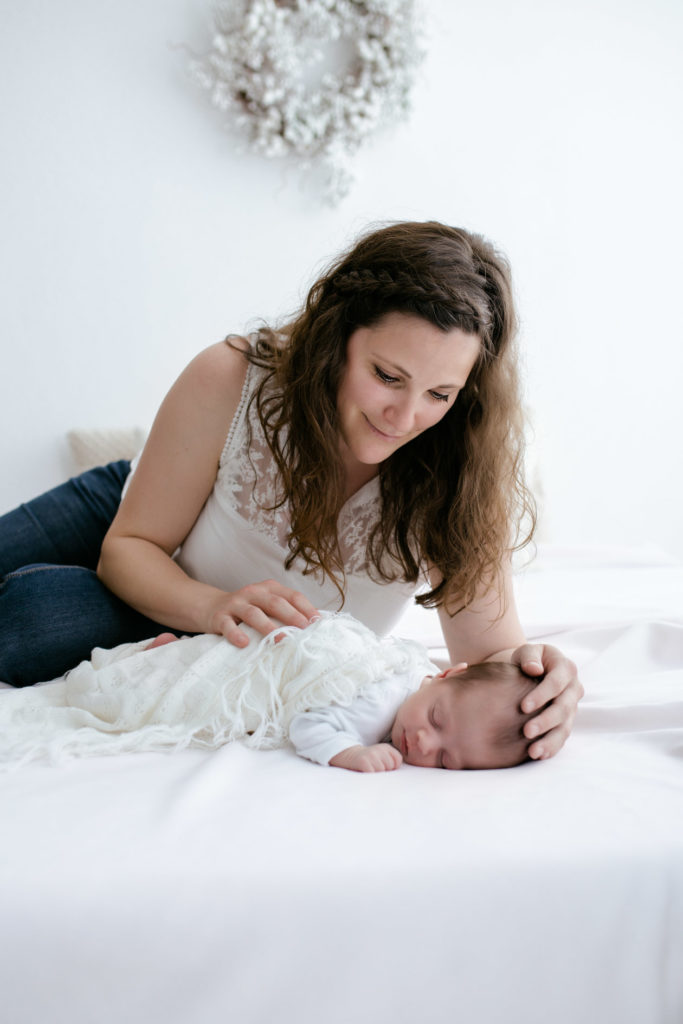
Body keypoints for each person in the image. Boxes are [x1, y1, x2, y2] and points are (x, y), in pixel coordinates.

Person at [0, 220, 582, 759]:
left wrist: (546, 686)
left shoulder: (455, 464)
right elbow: (129, 546)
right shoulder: (233, 377)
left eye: (439, 394)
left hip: (187, 624)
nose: (404, 418)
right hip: (151, 515)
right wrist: (214, 606)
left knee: (32, 618)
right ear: (337, 337)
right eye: (387, 376)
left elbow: (487, 660)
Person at [0, 612, 540, 772]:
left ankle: (143, 660)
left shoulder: (413, 676)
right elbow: (309, 724)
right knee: (144, 698)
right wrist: (348, 752)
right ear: (445, 674)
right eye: (438, 721)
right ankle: (133, 666)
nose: (422, 743)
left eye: (445, 760)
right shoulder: (382, 695)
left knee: (169, 669)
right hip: (248, 645)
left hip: (242, 643)